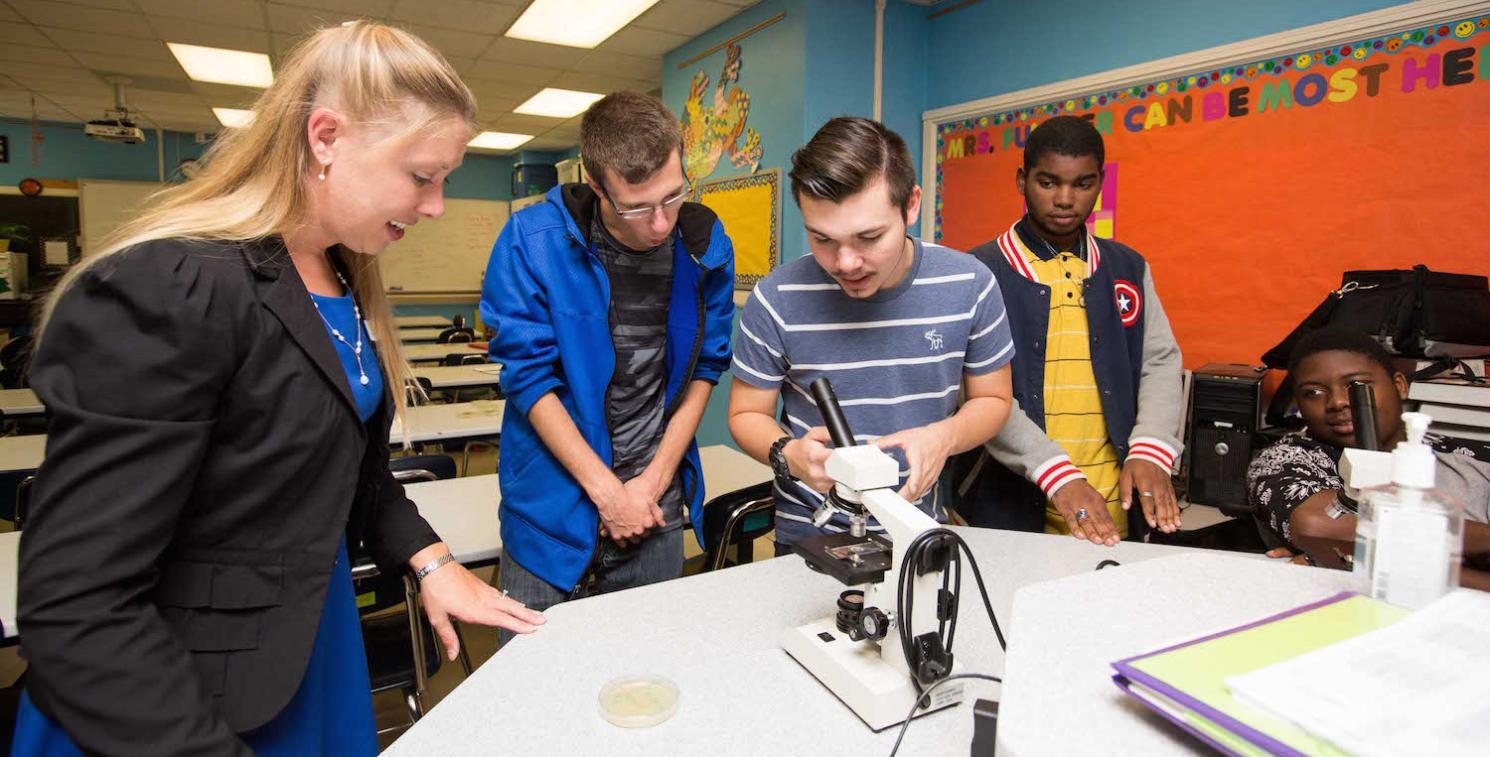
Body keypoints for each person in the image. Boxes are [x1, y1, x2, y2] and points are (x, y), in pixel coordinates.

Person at [13, 22, 543, 756]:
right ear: (325, 137)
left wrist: (430, 559)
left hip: (299, 642)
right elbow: (78, 605)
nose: (436, 206)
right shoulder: (176, 285)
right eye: (422, 176)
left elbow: (348, 469)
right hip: (172, 700)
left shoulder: (339, 272)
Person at [480, 92, 735, 641]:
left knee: (647, 677)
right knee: (534, 691)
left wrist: (651, 484)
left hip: (654, 508)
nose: (662, 222)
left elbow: (706, 369)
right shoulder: (531, 242)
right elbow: (529, 378)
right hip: (552, 511)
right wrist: (608, 495)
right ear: (596, 187)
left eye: (673, 196)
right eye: (639, 207)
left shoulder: (703, 244)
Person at [728, 117, 1015, 553]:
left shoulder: (970, 285)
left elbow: (994, 400)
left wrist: (944, 437)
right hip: (809, 537)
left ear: (911, 205)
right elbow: (746, 414)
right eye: (822, 239)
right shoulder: (777, 298)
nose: (845, 263)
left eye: (869, 237)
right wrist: (790, 454)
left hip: (919, 529)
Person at [957, 115, 1184, 545]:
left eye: (1082, 184)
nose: (1065, 198)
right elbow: (974, 390)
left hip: (1116, 506)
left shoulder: (1128, 267)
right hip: (1012, 510)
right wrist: (1056, 473)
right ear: (1022, 181)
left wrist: (1152, 445)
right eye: (1048, 182)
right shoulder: (977, 273)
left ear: (1101, 182)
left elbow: (1160, 360)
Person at [1248, 328, 1490, 588]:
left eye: (1356, 386)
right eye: (1314, 393)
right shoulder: (1285, 460)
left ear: (1399, 386)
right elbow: (1317, 527)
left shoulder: (1468, 458)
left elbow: (1348, 548)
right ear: (1298, 405)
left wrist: (1366, 556)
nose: (1338, 402)